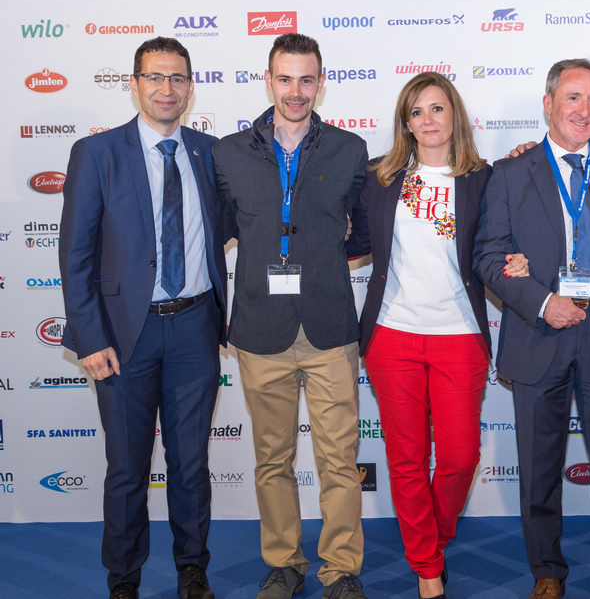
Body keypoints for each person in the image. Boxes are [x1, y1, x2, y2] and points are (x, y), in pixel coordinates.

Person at [474, 59, 590, 599]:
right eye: (573, 98)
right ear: (549, 103)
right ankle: (547, 571)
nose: (584, 110)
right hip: (540, 331)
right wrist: (541, 302)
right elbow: (488, 257)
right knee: (539, 463)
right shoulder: (510, 173)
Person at [347, 73, 526, 599]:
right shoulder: (380, 178)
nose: (428, 120)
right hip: (393, 336)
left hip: (460, 334)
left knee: (459, 457)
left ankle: (435, 538)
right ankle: (427, 567)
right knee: (406, 459)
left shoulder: (485, 178)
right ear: (406, 122)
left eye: (437, 108)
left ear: (455, 115)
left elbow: (509, 232)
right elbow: (354, 241)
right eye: (417, 111)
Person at [59, 37, 225, 599]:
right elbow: (75, 255)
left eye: (177, 78)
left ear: (190, 87)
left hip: (195, 328)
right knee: (127, 467)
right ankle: (124, 577)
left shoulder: (209, 153)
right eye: (155, 77)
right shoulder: (97, 153)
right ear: (133, 85)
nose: (166, 88)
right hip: (122, 336)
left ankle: (192, 568)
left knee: (191, 463)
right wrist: (88, 337)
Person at [213, 33, 369, 599]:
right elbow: (216, 232)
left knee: (339, 459)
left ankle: (341, 569)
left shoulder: (350, 150)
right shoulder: (228, 154)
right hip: (260, 329)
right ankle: (283, 562)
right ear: (268, 80)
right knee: (271, 459)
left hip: (330, 328)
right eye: (285, 78)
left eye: (307, 79)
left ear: (321, 83)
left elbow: (366, 229)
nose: (296, 91)